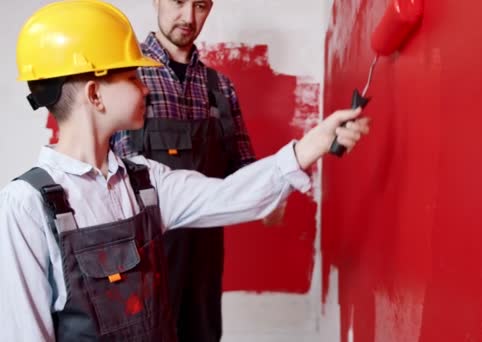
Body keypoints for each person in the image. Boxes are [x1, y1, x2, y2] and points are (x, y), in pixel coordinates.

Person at [0, 0, 370, 341]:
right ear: (95, 95)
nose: (145, 89)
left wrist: (313, 144)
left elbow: (229, 194)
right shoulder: (27, 206)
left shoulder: (144, 181)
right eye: (133, 79)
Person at [109, 1, 266, 339]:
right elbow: (104, 177)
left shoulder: (220, 89)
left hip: (203, 261)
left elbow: (245, 172)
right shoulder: (124, 76)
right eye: (178, 2)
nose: (189, 18)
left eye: (201, 6)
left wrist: (290, 171)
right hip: (141, 261)